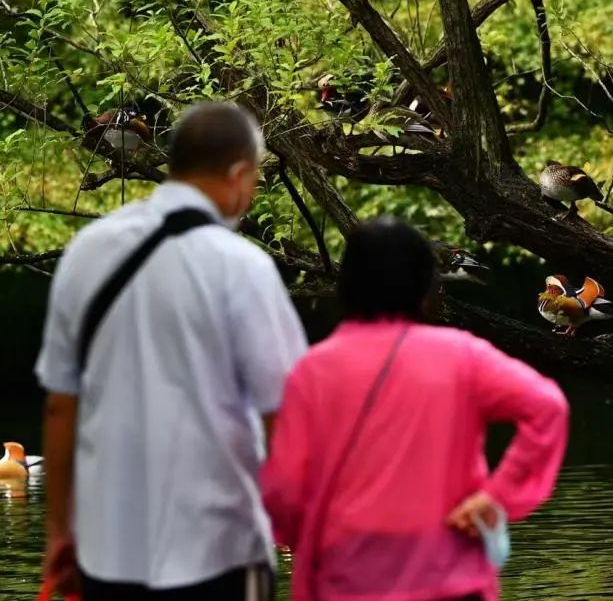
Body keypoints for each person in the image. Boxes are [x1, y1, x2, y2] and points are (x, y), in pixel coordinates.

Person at [36, 102, 307, 600]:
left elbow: (59, 404)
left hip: (108, 548)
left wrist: (59, 530)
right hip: (221, 548)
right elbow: (283, 412)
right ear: (240, 174)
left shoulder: (87, 252)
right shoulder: (242, 266)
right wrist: (295, 522)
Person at [262, 217, 569, 601]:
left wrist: (300, 539)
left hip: (348, 581)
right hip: (448, 579)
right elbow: (547, 407)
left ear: (348, 285)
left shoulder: (312, 372)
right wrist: (498, 497)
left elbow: (285, 488)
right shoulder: (462, 356)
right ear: (426, 286)